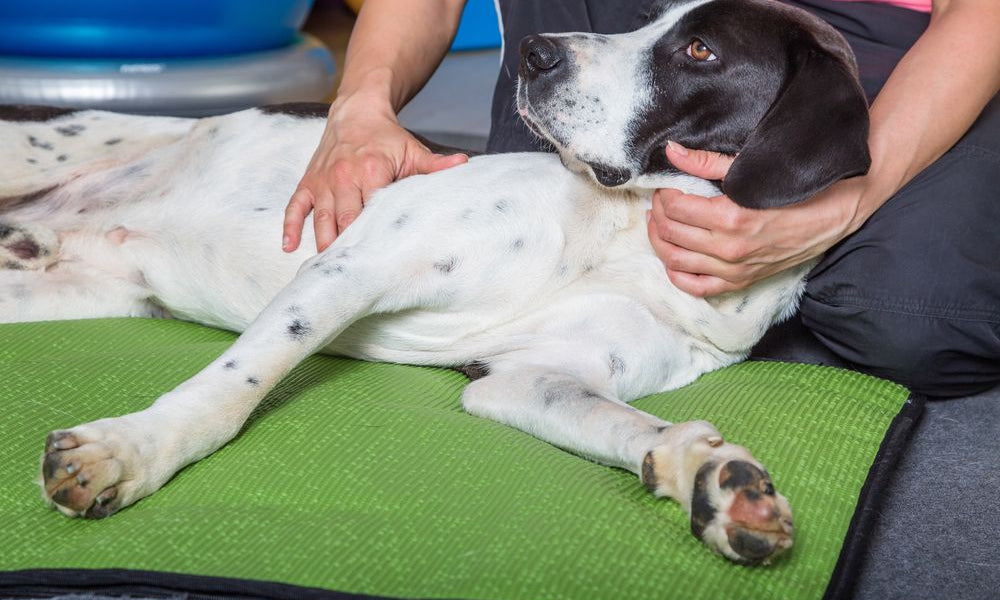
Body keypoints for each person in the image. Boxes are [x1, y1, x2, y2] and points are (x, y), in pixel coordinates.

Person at [281, 0, 1000, 399]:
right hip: (660, 12)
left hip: (894, 28)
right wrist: (360, 108)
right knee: (535, 212)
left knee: (911, 316)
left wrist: (846, 202)